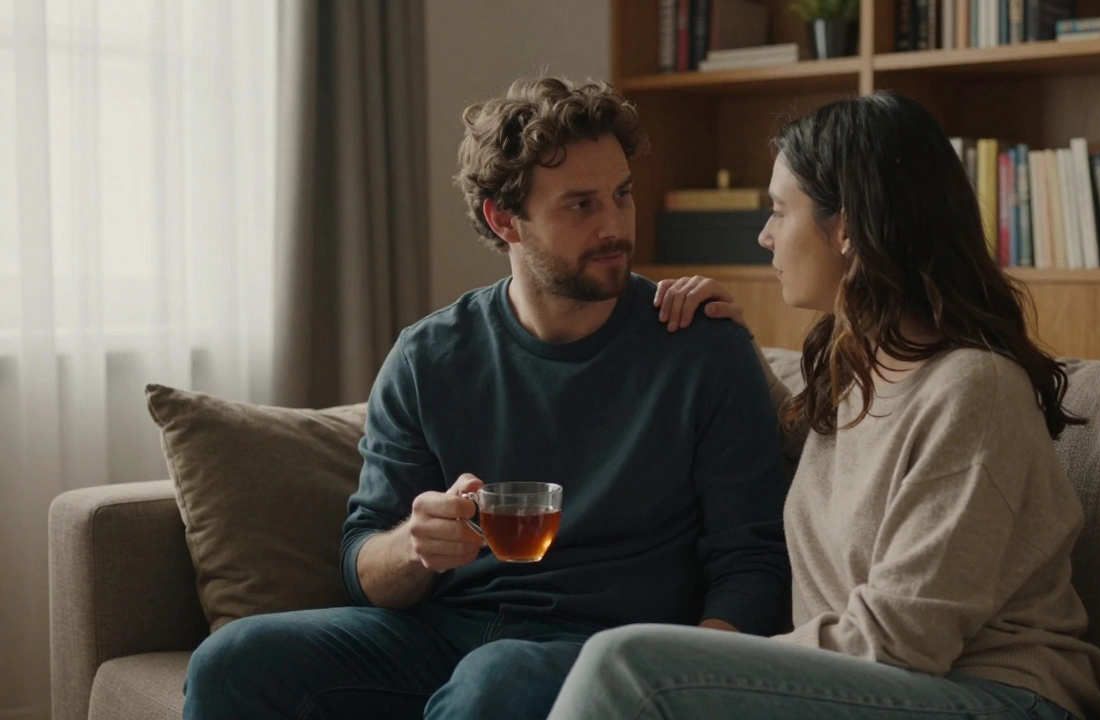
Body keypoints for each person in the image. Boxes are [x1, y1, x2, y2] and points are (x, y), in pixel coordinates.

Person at [181, 77, 790, 720]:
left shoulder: (698, 345)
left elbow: (752, 560)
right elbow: (362, 566)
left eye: (622, 194)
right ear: (505, 220)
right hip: (443, 634)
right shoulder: (428, 357)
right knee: (235, 658)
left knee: (494, 679)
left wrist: (695, 677)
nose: (615, 225)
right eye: (580, 205)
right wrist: (416, 545)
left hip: (604, 648)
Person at [547, 91, 1100, 720]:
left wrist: (719, 662)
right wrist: (727, 342)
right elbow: (814, 451)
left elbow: (901, 641)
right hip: (882, 684)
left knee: (626, 666)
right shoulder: (857, 374)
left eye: (778, 212)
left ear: (844, 228)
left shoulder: (973, 391)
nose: (763, 236)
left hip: (994, 696)